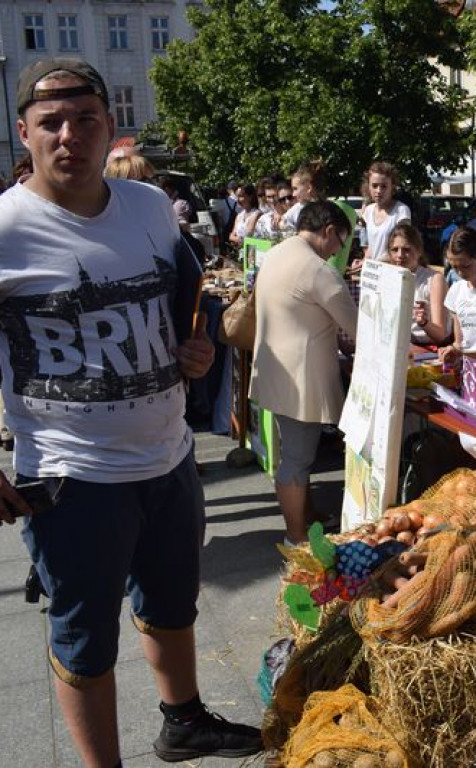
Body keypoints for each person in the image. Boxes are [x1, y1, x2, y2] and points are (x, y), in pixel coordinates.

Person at [0, 57, 261, 766]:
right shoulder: (6, 230)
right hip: (70, 478)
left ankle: (183, 719)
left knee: (174, 604)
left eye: (85, 119)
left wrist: (193, 350)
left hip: (168, 456)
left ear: (109, 126)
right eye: (50, 123)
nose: (68, 136)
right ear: (23, 133)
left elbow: (184, 293)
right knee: (85, 637)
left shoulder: (146, 208)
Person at [249, 200, 358, 546]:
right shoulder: (318, 270)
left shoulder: (278, 253)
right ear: (328, 232)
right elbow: (358, 328)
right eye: (341, 242)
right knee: (296, 461)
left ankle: (306, 516)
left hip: (275, 373)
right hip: (300, 380)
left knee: (296, 456)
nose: (338, 251)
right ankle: (296, 536)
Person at [438, 227, 476, 367]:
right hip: (469, 368)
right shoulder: (456, 290)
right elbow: (459, 343)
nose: (460, 272)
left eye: (466, 266)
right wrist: (451, 351)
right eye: (454, 267)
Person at [385, 222, 448, 345]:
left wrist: (424, 323)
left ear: (419, 251)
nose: (400, 255)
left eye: (406, 250)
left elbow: (440, 335)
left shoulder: (434, 280)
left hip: (429, 349)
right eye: (394, 249)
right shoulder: (388, 278)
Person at [360, 161, 412, 263]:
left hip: (393, 270)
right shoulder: (368, 211)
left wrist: (378, 263)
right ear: (368, 186)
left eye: (384, 186)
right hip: (374, 272)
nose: (378, 191)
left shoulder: (401, 211)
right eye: (374, 186)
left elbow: (402, 247)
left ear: (392, 187)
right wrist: (363, 262)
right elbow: (371, 248)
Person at [282, 159, 327, 232]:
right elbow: (282, 221)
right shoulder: (298, 207)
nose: (293, 194)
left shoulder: (327, 210)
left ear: (309, 188)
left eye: (295, 189)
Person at [228, 182, 260, 248]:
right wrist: (238, 239)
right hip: (240, 252)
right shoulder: (239, 215)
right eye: (237, 196)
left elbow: (247, 238)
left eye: (241, 196)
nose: (238, 200)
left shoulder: (257, 214)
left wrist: (235, 238)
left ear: (250, 197)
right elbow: (231, 236)